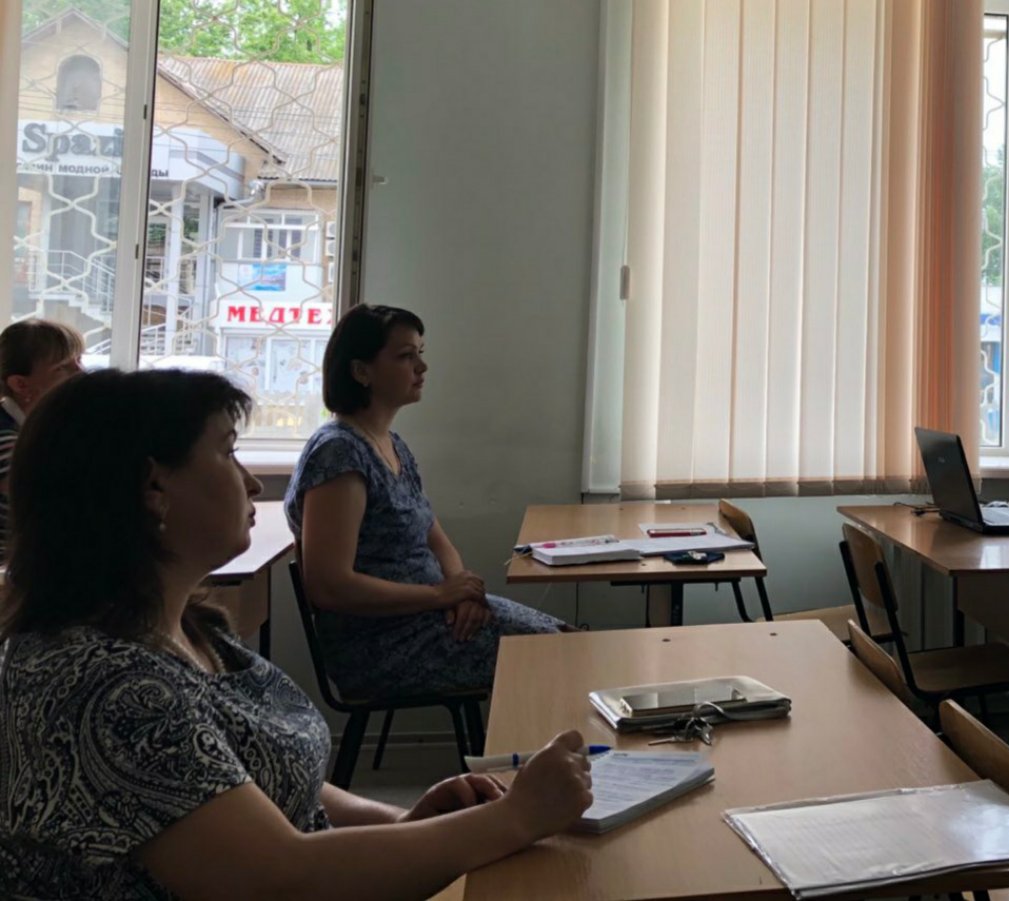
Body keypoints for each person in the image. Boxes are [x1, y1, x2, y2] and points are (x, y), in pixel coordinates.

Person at [0, 369, 594, 899]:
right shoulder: (103, 684)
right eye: (228, 453)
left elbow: (265, 782)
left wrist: (407, 823)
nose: (252, 484)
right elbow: (282, 879)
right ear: (154, 488)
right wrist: (515, 818)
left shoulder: (193, 631)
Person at [286, 305, 565, 700]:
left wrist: (461, 592)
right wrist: (440, 595)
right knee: (562, 656)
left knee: (570, 642)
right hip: (384, 644)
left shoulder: (391, 445)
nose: (422, 367)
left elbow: (437, 540)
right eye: (405, 356)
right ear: (361, 371)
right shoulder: (338, 455)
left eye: (420, 352)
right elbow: (330, 586)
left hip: (428, 617)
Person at [0, 318, 83, 555]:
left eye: (79, 360)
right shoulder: (6, 438)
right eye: (62, 368)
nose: (80, 372)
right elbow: (50, 499)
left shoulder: (39, 428)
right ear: (20, 384)